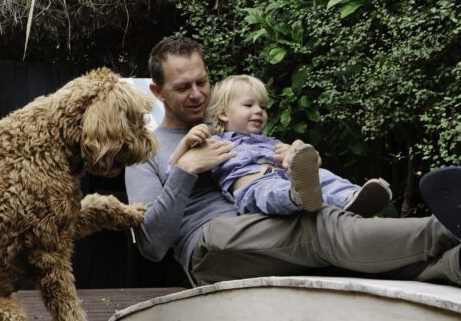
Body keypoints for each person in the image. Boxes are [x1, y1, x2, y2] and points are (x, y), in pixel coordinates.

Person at [124, 35, 460, 287]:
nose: (197, 94)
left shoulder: (231, 128)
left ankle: (452, 264)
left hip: (266, 223)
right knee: (320, 227)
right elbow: (152, 246)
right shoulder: (144, 152)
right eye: (184, 87)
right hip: (209, 244)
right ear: (157, 91)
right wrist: (185, 170)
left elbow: (266, 175)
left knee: (342, 259)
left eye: (202, 82)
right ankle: (443, 228)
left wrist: (294, 158)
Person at [167, 74, 392, 217]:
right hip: (251, 186)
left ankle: (353, 198)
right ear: (223, 114)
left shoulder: (272, 142)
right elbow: (173, 172)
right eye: (249, 105)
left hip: (288, 176)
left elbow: (300, 164)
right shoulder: (215, 142)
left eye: (263, 107)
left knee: (321, 174)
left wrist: (299, 155)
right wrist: (185, 144)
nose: (259, 111)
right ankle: (297, 196)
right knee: (270, 192)